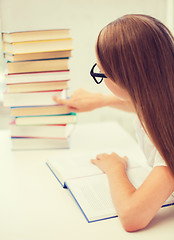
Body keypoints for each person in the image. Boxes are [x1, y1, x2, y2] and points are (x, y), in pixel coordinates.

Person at [53, 14, 174, 232]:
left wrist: (115, 168)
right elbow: (140, 104)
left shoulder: (168, 142)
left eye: (101, 74)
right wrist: (101, 100)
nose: (101, 78)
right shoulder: (163, 93)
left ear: (127, 80)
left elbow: (132, 217)